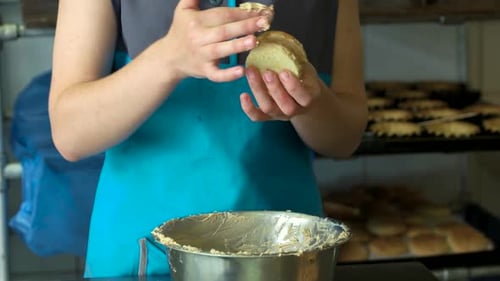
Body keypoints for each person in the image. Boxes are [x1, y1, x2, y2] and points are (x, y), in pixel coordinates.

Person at [49, 0, 367, 278]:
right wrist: (167, 59)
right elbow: (70, 133)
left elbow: (345, 138)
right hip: (144, 259)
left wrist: (309, 104)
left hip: (285, 257)